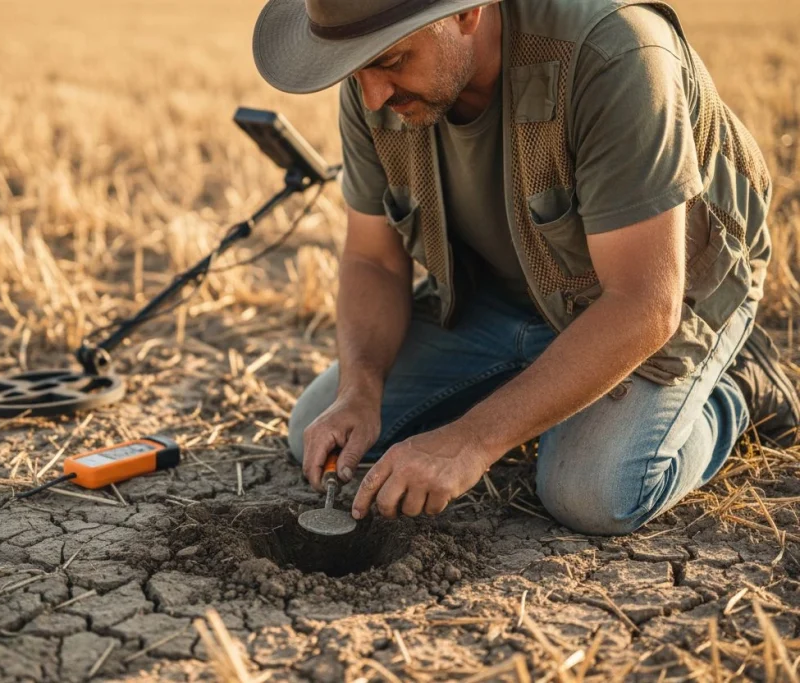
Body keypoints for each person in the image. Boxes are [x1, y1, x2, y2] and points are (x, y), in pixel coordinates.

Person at [251, 0, 800, 535]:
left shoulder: (615, 53)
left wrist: (471, 440)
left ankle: (736, 388)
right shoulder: (373, 87)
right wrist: (360, 390)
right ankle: (539, 382)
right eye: (357, 69)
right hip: (497, 294)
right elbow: (373, 259)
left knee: (593, 494)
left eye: (391, 60)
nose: (372, 96)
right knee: (316, 432)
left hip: (663, 294)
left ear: (467, 13)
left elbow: (644, 303)